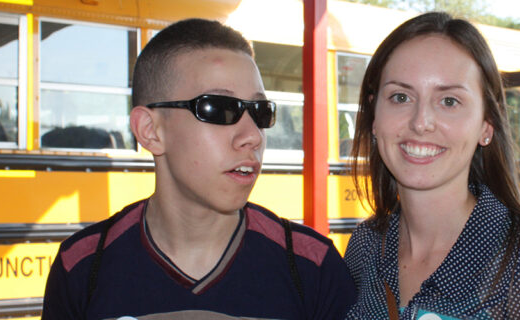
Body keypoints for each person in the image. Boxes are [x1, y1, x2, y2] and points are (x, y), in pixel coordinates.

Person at [41, 18, 356, 319]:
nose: (252, 136)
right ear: (150, 130)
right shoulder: (83, 267)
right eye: (218, 108)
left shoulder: (311, 267)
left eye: (260, 112)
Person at [343, 12, 520, 319]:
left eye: (449, 101)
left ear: (486, 125)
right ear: (374, 116)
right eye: (400, 97)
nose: (421, 123)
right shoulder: (366, 248)